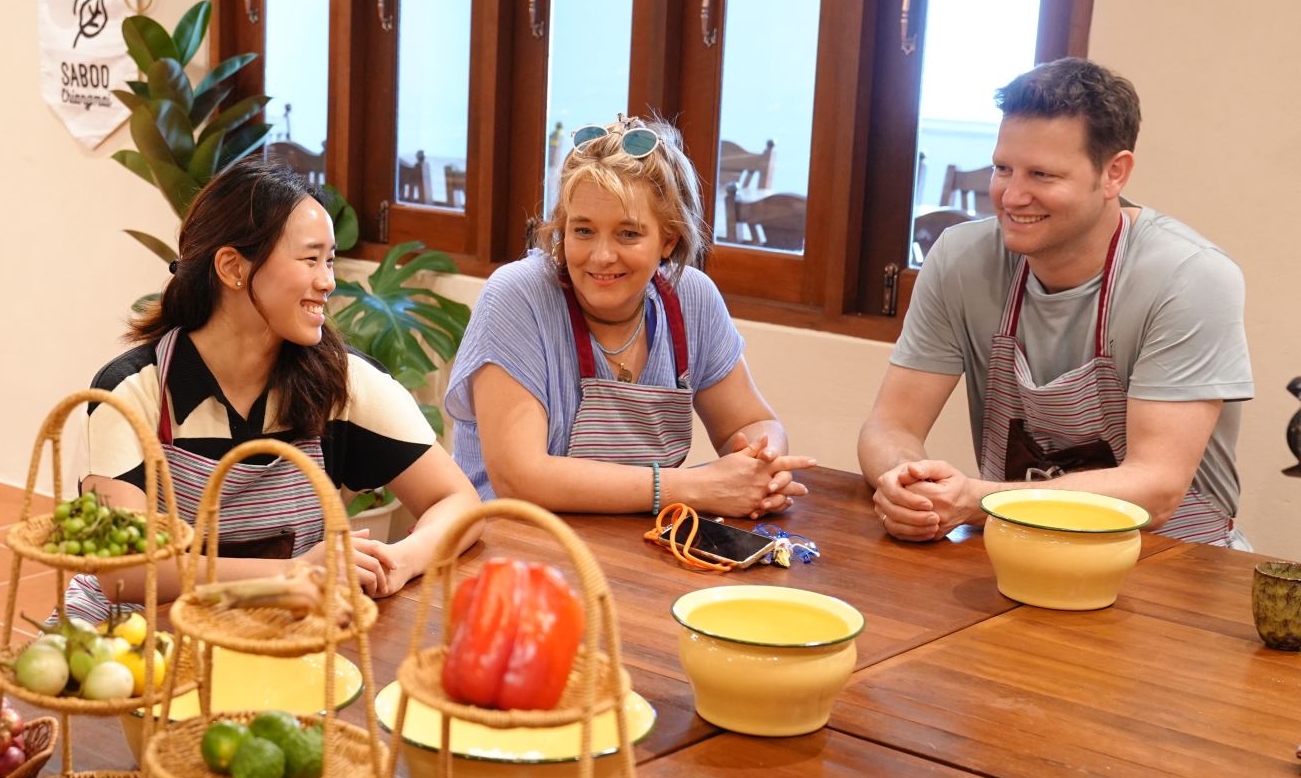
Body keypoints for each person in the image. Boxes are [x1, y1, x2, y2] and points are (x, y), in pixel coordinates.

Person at [858, 57, 1252, 546]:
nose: (1012, 196)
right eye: (1003, 168)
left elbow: (1157, 489)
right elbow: (890, 423)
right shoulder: (962, 259)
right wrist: (906, 482)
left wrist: (976, 501)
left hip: (1175, 564)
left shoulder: (1189, 277)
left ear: (1114, 174)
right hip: (1018, 549)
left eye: (1042, 175)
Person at [67, 158, 479, 622]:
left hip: (280, 632)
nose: (328, 282)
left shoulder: (343, 383)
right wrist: (288, 574)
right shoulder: (132, 391)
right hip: (132, 642)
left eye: (330, 261)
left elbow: (459, 502)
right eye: (310, 259)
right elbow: (123, 574)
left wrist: (400, 561)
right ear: (232, 267)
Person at [445, 114, 812, 517]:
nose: (602, 256)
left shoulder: (692, 298)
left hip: (635, 552)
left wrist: (761, 465)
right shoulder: (518, 295)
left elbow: (752, 423)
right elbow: (521, 478)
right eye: (583, 231)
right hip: (508, 551)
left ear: (669, 239)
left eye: (628, 234)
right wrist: (692, 487)